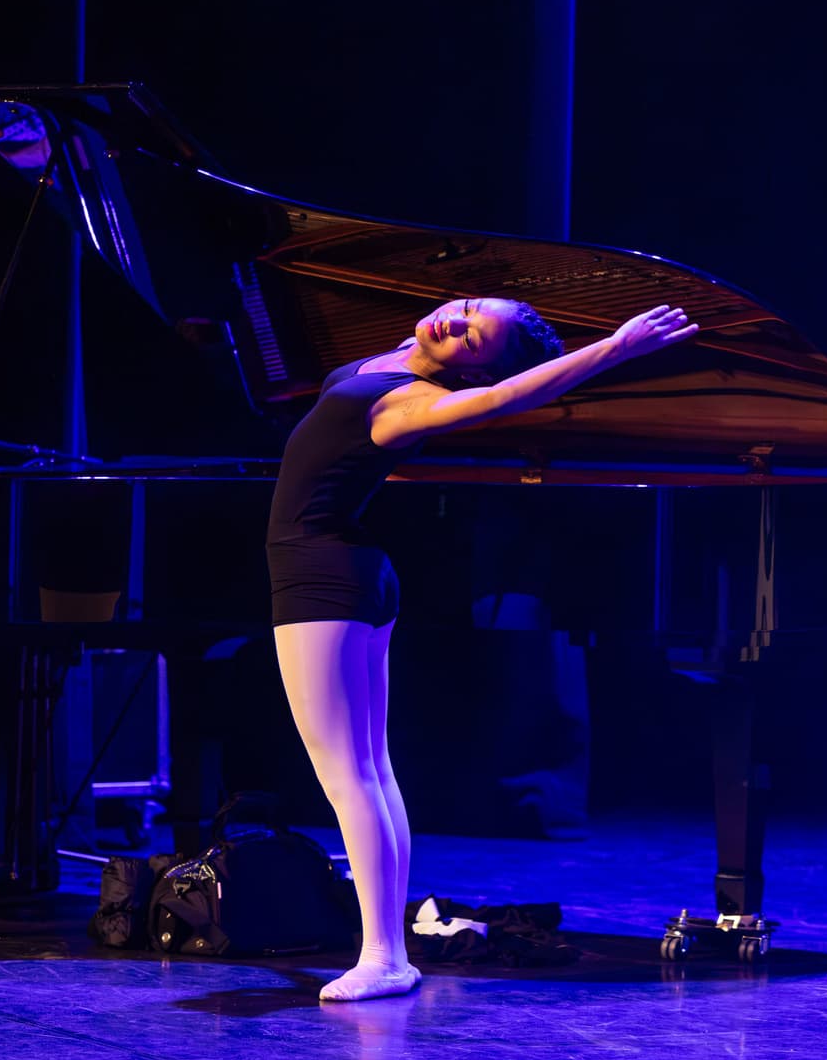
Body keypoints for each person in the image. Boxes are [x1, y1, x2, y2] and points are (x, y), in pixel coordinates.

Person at [267, 297, 699, 1000]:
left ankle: (383, 957)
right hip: (344, 570)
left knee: (349, 775)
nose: (453, 322)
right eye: (466, 308)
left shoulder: (411, 402)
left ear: (473, 373)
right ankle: (385, 951)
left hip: (322, 579)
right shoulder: (388, 363)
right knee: (368, 769)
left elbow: (503, 398)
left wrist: (616, 347)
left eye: (473, 338)